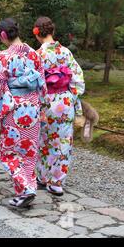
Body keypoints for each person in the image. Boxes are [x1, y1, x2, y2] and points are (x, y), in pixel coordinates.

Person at [0, 18, 46, 208]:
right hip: (33, 107)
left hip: (14, 109)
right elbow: (42, 84)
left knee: (9, 153)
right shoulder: (35, 55)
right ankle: (26, 191)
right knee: (29, 151)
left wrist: (0, 100)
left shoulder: (4, 56)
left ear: (3, 35)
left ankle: (26, 188)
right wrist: (40, 104)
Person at [34, 17, 85, 196]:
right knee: (62, 141)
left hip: (46, 101)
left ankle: (41, 177)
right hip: (64, 102)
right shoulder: (65, 52)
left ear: (37, 33)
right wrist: (72, 96)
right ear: (52, 32)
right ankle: (56, 182)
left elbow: (35, 82)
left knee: (43, 140)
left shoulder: (37, 55)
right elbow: (78, 78)